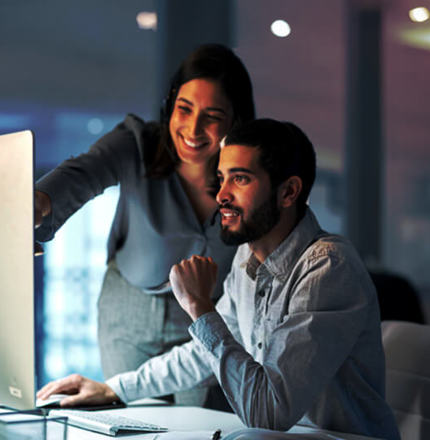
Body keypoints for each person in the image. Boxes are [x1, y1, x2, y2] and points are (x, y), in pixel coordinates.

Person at [38, 118, 400, 439]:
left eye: (240, 179)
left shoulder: (327, 269)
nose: (221, 195)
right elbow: (202, 355)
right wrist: (115, 389)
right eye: (222, 178)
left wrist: (199, 307)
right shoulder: (248, 256)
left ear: (289, 191)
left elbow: (268, 415)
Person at [34, 43, 255, 405]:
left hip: (206, 318)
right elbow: (85, 171)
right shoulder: (136, 142)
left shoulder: (247, 176)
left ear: (235, 120)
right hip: (129, 314)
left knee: (198, 428)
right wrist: (40, 200)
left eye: (212, 116)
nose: (193, 128)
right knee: (132, 419)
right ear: (170, 104)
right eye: (184, 109)